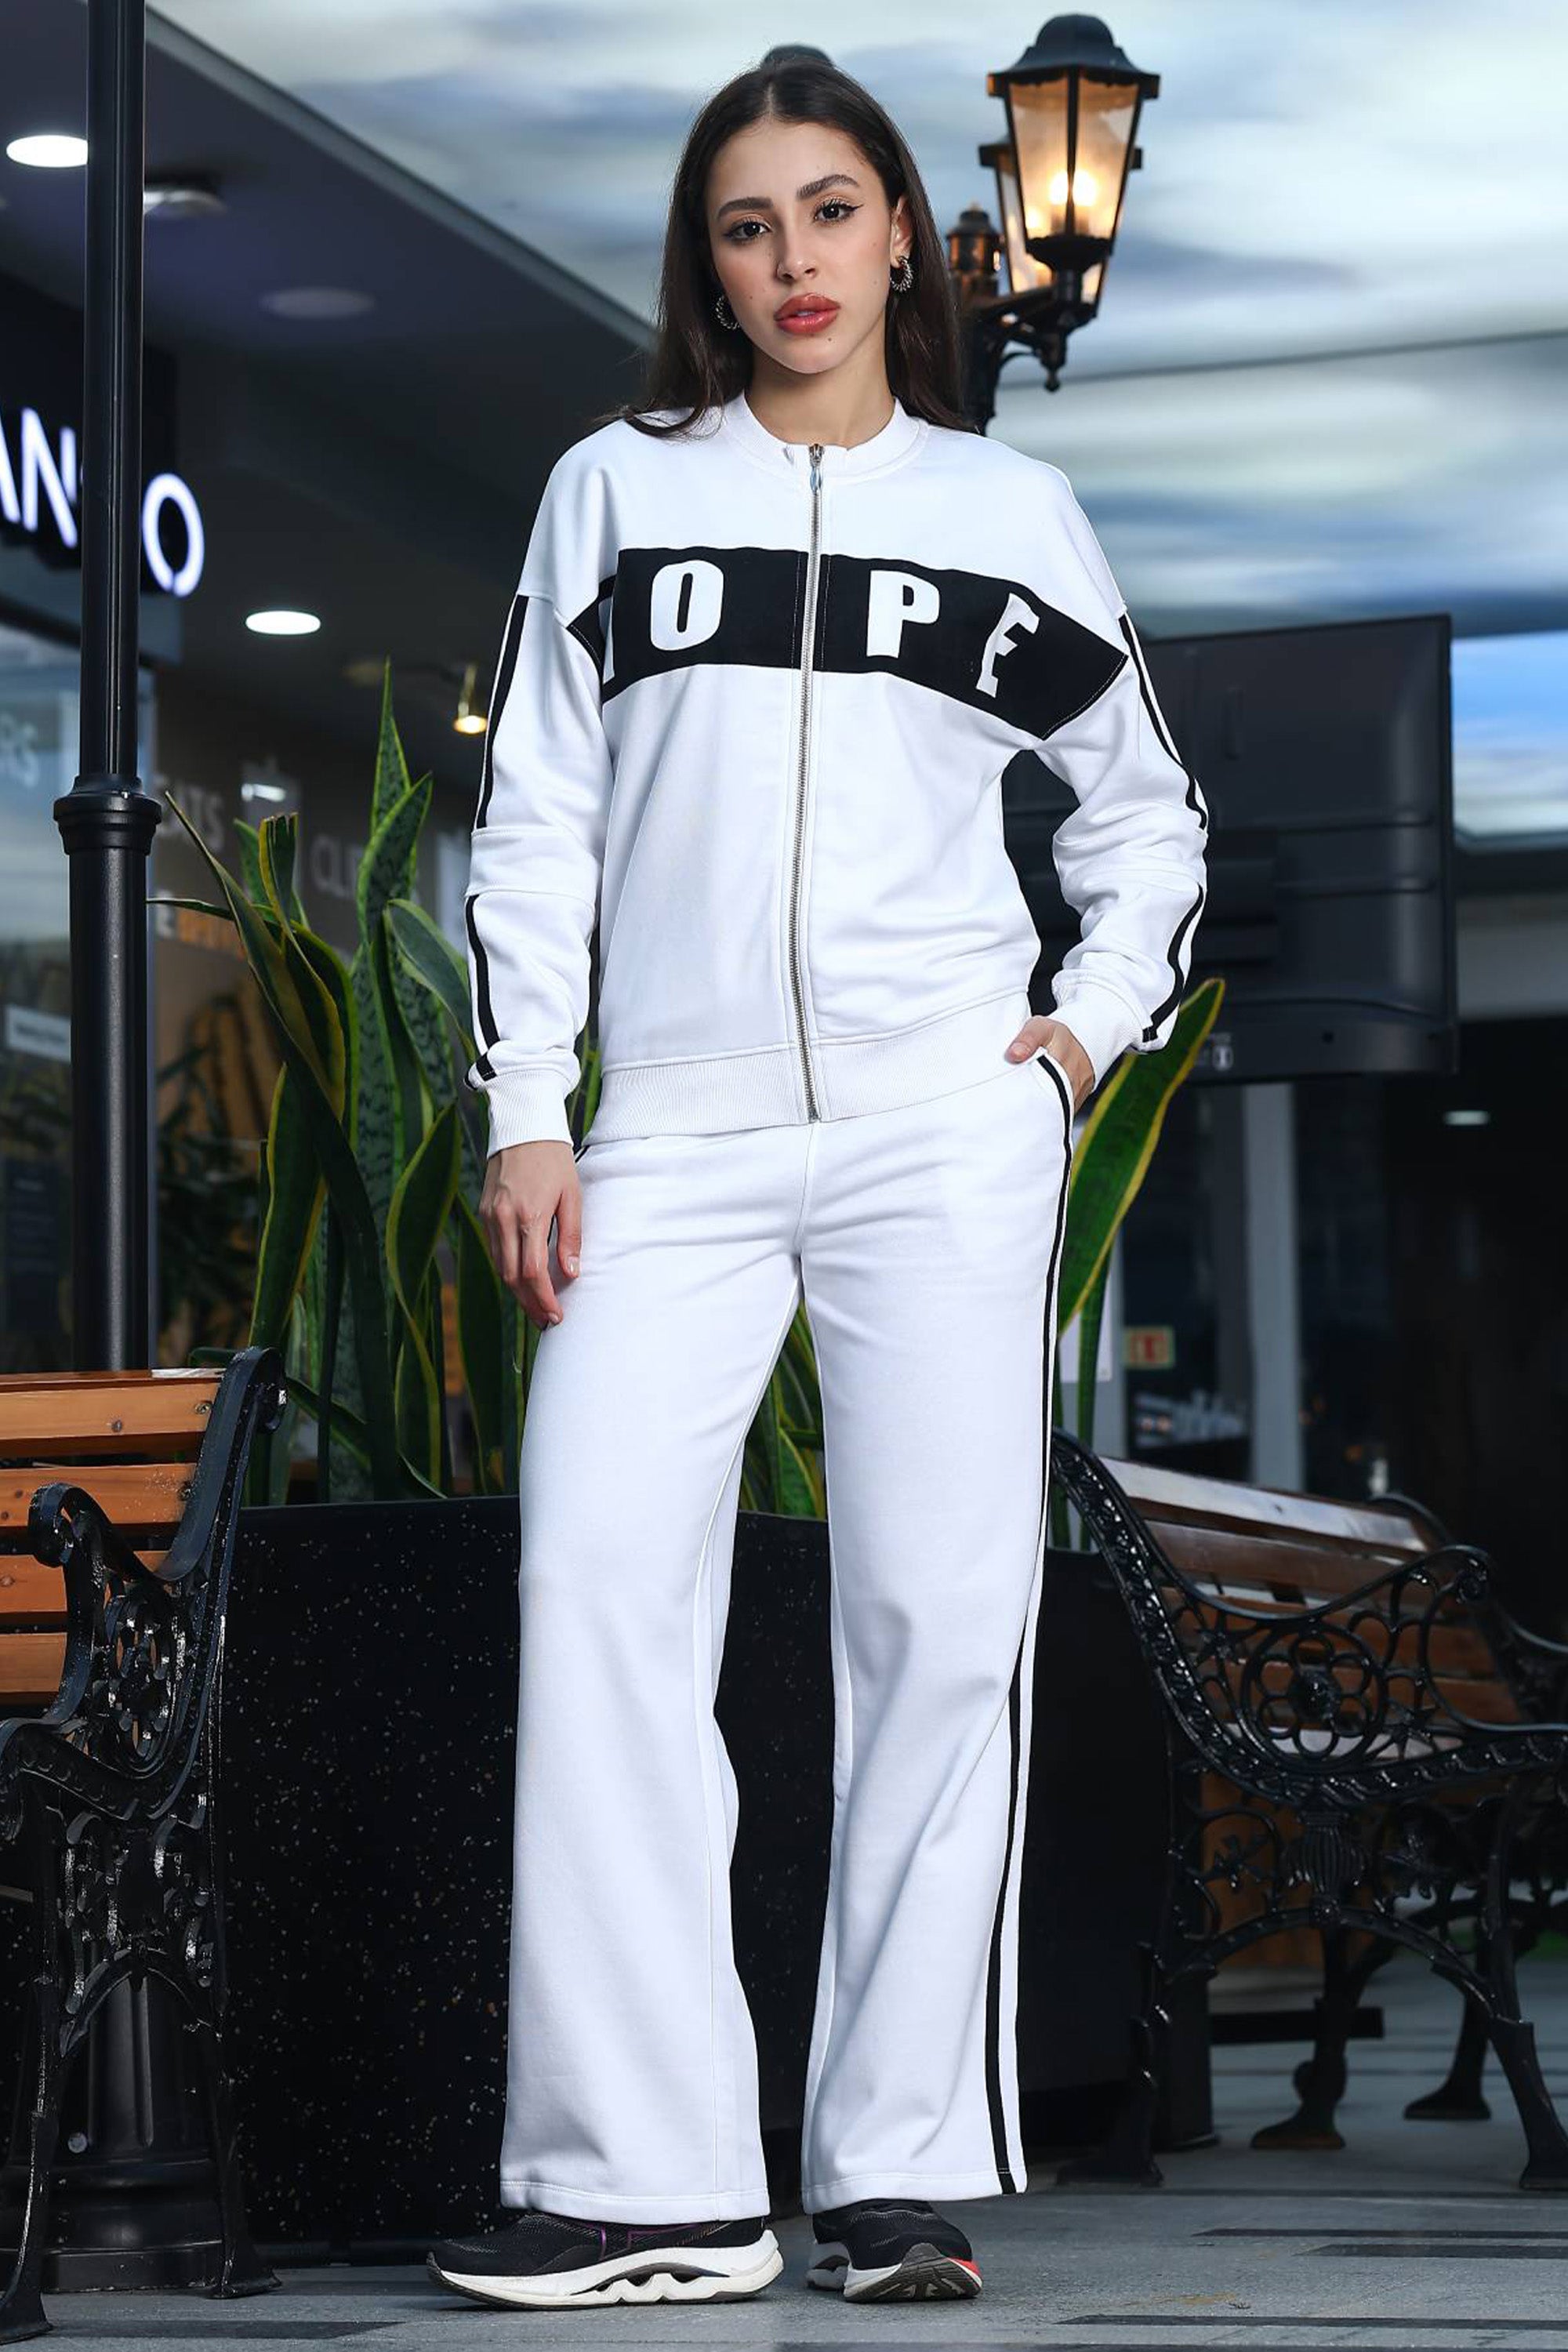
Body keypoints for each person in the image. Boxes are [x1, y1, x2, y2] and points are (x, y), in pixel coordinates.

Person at [426, 47, 1208, 2316]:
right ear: (709, 259)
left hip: (935, 1120)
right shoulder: (612, 489)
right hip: (668, 1127)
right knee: (592, 1583)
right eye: (749, 224)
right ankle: (645, 2178)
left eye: (834, 211)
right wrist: (526, 1104)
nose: (796, 262)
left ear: (898, 237)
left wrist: (1076, 1044)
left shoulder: (1006, 511)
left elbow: (1148, 820)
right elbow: (538, 816)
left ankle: (893, 2167)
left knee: (939, 1625)